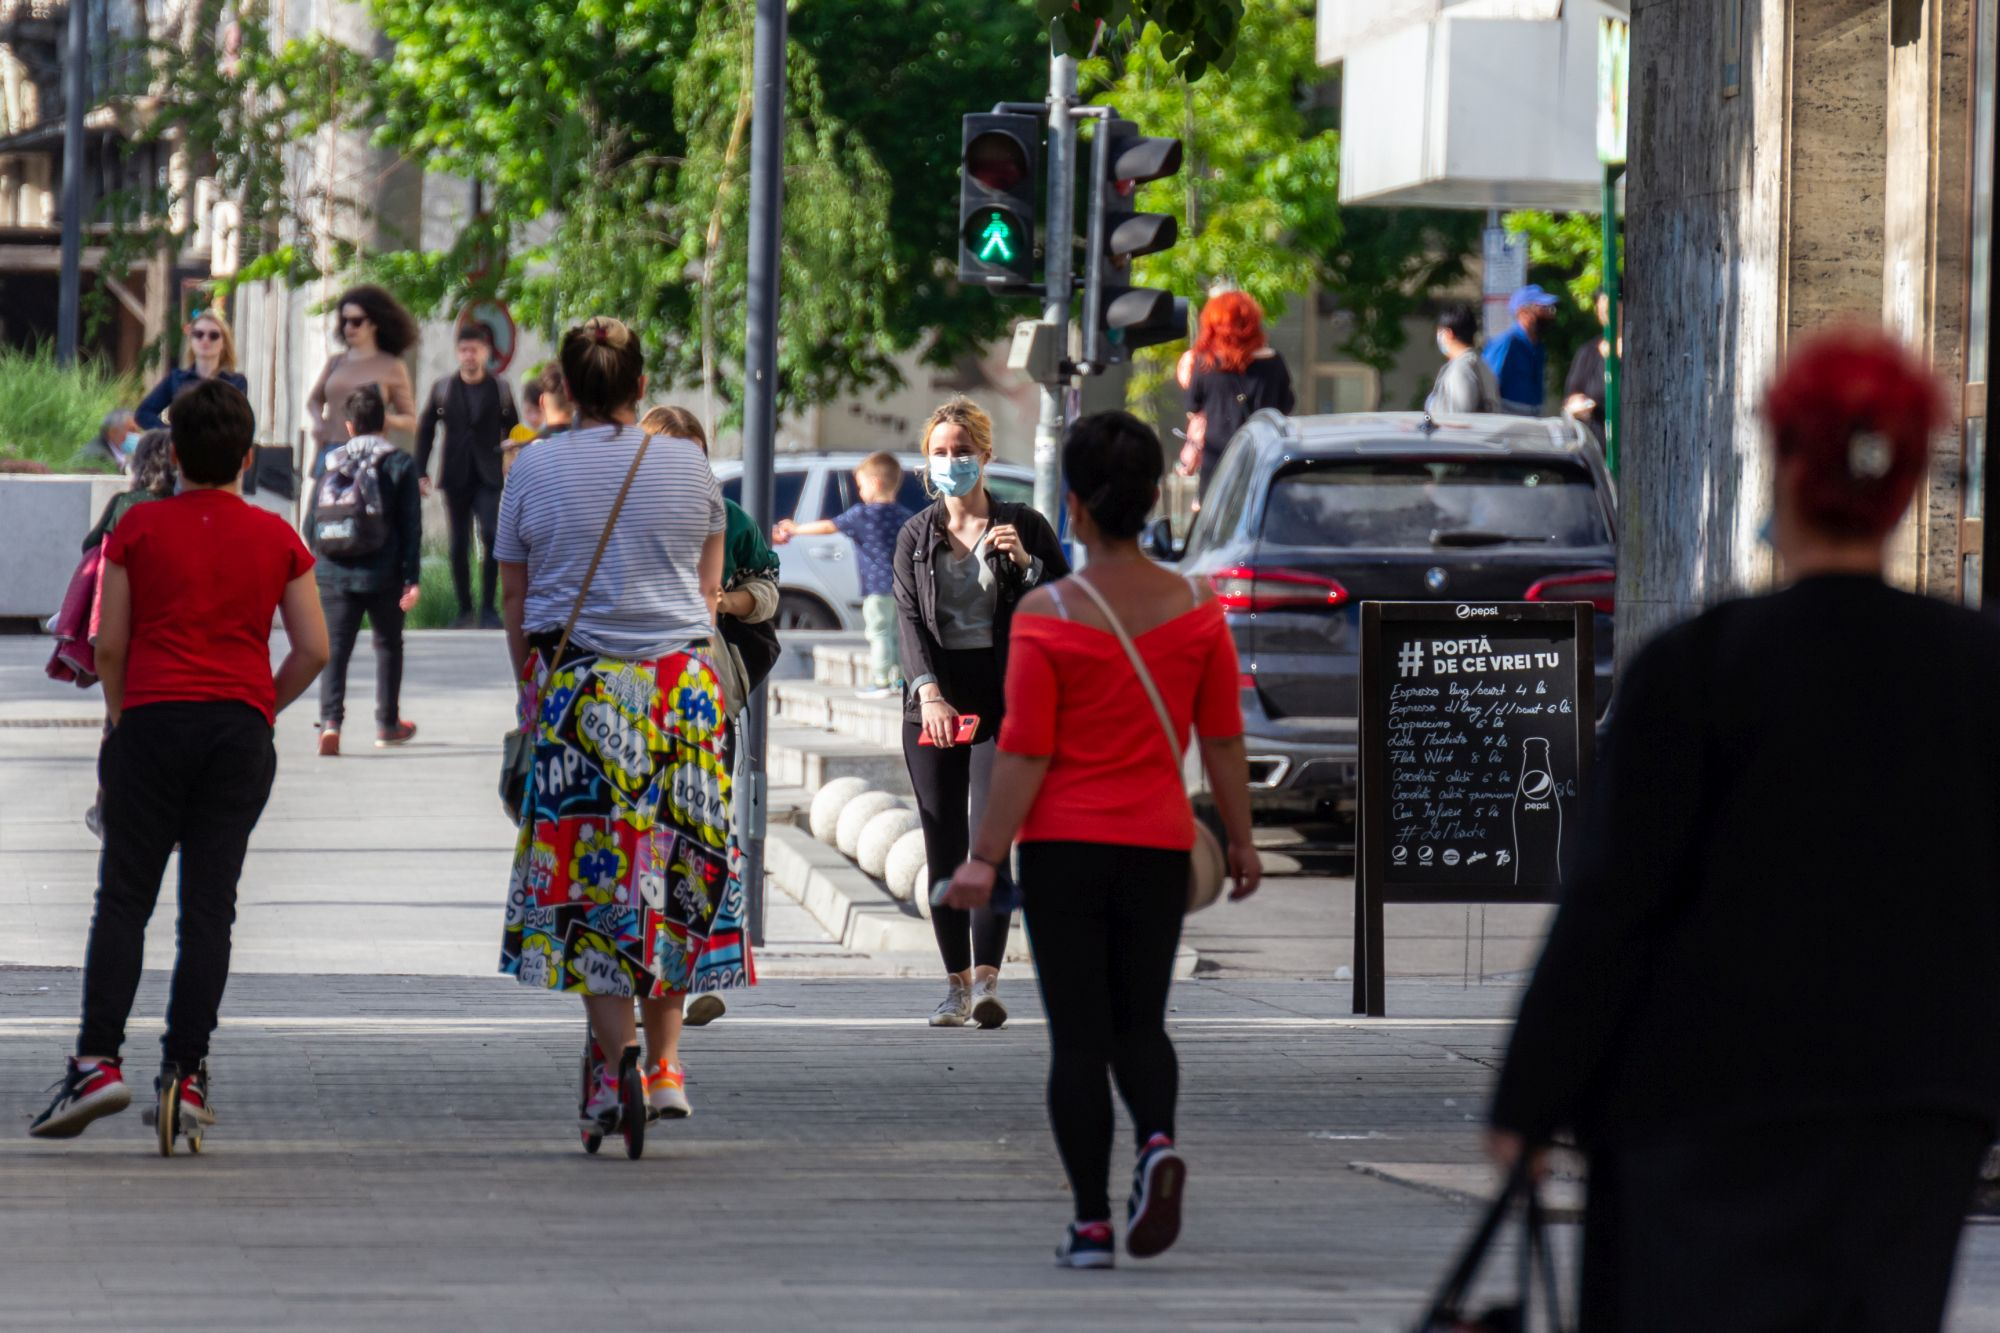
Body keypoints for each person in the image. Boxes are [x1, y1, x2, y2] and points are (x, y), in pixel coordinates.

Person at [1487, 329, 2000, 1330]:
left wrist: (1530, 1096)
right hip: (1915, 1103)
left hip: (1704, 1102)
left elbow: (1613, 902)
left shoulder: (1696, 670)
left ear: (1787, 464)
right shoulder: (1974, 673)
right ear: (1903, 487)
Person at [943, 410, 1260, 1268]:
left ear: (1074, 506)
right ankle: (1156, 1142)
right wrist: (1240, 840)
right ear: (1156, 497)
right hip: (1159, 847)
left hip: (1063, 854)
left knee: (1079, 1039)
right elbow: (1222, 739)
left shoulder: (1047, 614)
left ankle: (1090, 1225)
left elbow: (1024, 751)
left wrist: (983, 857)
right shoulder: (1199, 609)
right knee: (1141, 1023)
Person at [30, 378, 328, 1140]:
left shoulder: (138, 528)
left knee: (125, 898)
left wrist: (121, 715)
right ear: (248, 457)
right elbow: (314, 649)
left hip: (152, 721)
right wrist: (261, 705)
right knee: (208, 909)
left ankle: (98, 1062)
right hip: (237, 731)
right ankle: (186, 1075)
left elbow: (109, 645)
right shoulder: (278, 537)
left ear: (173, 456)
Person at [496, 317, 749, 1129]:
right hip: (681, 692)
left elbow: (514, 595)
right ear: (641, 385)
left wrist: (531, 693)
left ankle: (614, 1069)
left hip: (582, 691)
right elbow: (706, 593)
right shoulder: (690, 465)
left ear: (567, 389)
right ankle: (667, 1063)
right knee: (675, 871)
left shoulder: (533, 467)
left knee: (590, 884)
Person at [894, 398, 1068, 1028]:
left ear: (986, 456)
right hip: (935, 702)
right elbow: (908, 623)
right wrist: (928, 694)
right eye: (940, 453)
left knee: (990, 842)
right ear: (926, 462)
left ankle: (989, 981)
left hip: (1005, 700)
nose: (952, 462)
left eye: (962, 451)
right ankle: (955, 986)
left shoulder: (1023, 524)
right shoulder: (916, 536)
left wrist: (1027, 565)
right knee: (943, 846)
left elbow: (1064, 602)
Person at [73, 429, 180, 839]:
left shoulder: (125, 505)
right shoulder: (183, 507)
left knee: (116, 723)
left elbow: (90, 545)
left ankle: (108, 811)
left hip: (123, 628)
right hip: (170, 631)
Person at [311, 385, 422, 757]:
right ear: (384, 424)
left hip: (334, 571)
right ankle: (387, 724)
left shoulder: (330, 460)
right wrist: (412, 578)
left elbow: (312, 520)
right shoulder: (399, 462)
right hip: (384, 573)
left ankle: (330, 722)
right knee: (388, 644)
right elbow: (411, 526)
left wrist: (320, 565)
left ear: (349, 425)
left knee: (336, 648)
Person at [773, 451, 912, 698]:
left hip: (877, 587)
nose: (860, 492)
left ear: (875, 483)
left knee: (878, 632)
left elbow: (829, 526)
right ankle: (899, 680)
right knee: (897, 633)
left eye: (861, 485)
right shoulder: (904, 516)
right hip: (902, 586)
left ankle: (881, 679)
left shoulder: (862, 514)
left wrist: (796, 529)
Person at [417, 322, 520, 629]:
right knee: (458, 543)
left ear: (486, 352)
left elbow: (513, 429)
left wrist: (511, 458)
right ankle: (464, 610)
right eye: (463, 350)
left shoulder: (500, 389)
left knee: (490, 535)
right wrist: (420, 471)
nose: (469, 356)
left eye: (474, 350)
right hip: (455, 474)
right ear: (457, 353)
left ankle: (488, 609)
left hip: (488, 475)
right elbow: (426, 430)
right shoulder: (443, 389)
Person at [1178, 291, 1294, 494]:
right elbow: (1287, 405)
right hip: (1263, 458)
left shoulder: (1204, 364)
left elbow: (1193, 406)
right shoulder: (1274, 362)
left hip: (1218, 459)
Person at [304, 284, 419, 469]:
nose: (349, 327)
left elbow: (410, 421)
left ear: (374, 323)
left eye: (356, 321)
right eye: (344, 321)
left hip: (368, 454)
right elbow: (314, 400)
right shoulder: (336, 362)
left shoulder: (392, 366)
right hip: (330, 450)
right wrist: (319, 422)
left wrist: (383, 419)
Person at [135, 308, 250, 430]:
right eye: (199, 334)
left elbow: (242, 423)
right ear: (191, 341)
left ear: (224, 343)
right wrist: (171, 434)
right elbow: (143, 413)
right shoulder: (176, 378)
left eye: (213, 335)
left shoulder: (235, 382)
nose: (205, 340)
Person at [1482, 284, 1557, 415]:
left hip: (1534, 418)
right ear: (1523, 312)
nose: (1549, 314)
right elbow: (1487, 385)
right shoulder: (1506, 343)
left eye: (1550, 309)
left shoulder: (1538, 347)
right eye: (1542, 308)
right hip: (1507, 419)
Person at [1426, 303, 1501, 416]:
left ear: (1448, 333)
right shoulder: (1481, 365)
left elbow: (1460, 418)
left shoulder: (1460, 369)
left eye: (1439, 333)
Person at [1564, 290, 1617, 447]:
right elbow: (1572, 396)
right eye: (1603, 310)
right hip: (1596, 447)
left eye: (1615, 307)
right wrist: (1579, 405)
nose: (1609, 314)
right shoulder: (1587, 353)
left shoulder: (1642, 355)